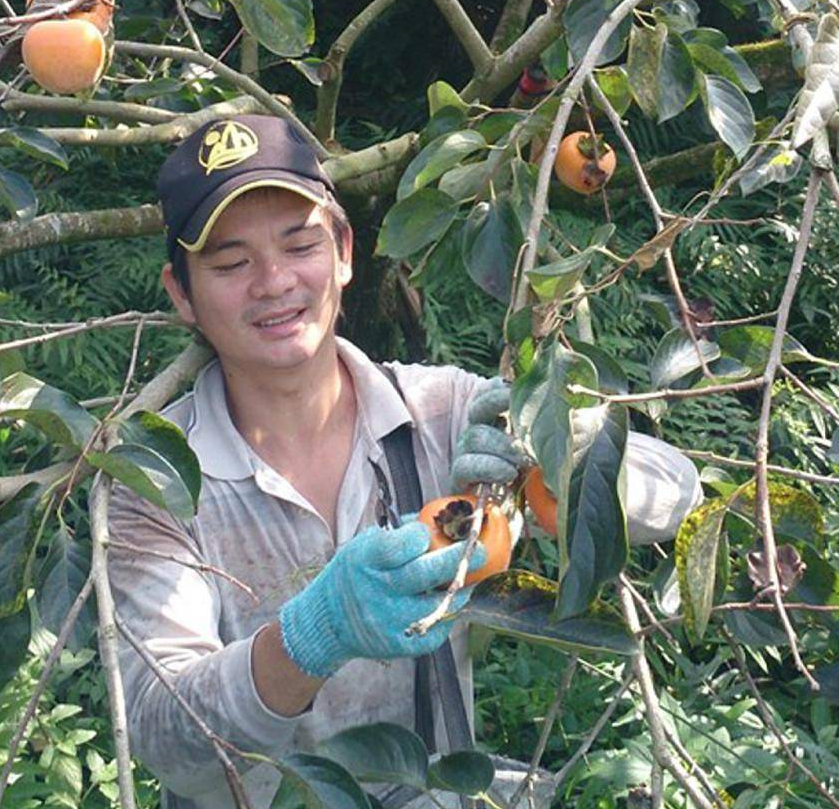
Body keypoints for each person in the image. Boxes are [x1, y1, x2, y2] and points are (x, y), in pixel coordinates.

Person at [93, 113, 702, 808]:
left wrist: (553, 442)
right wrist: (311, 636)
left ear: (345, 251)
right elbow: (168, 738)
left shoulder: (441, 416)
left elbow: (676, 494)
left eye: (299, 245)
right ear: (181, 294)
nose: (273, 282)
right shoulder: (155, 481)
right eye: (230, 263)